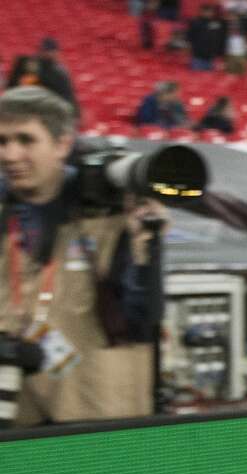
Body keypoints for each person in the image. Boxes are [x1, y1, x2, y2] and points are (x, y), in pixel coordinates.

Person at [0, 86, 165, 426]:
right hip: (15, 410)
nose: (11, 155)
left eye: (26, 140)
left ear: (62, 144)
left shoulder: (108, 210)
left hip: (91, 410)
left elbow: (142, 317)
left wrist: (148, 249)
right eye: (2, 141)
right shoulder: (6, 211)